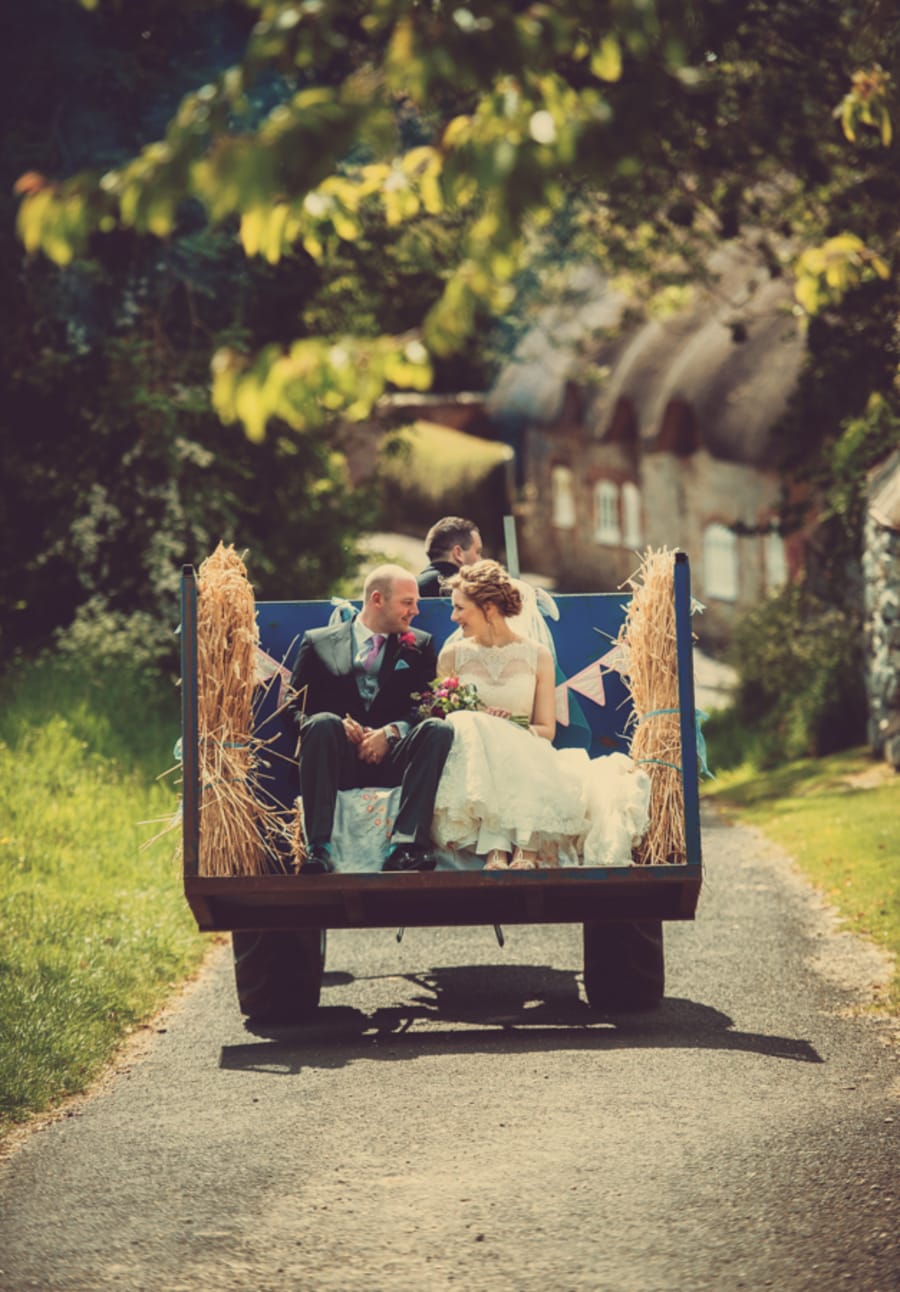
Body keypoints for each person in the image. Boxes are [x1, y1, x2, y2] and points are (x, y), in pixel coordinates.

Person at [430, 560, 652, 869]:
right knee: (467, 721)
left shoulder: (537, 655)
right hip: (475, 761)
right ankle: (497, 848)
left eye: (459, 608)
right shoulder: (452, 655)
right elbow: (443, 723)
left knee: (511, 744)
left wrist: (511, 724)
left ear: (489, 608)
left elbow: (547, 729)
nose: (454, 617)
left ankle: (522, 846)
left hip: (527, 751)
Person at [289, 564, 453, 873]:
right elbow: (291, 707)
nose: (416, 611)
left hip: (394, 761)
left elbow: (428, 705)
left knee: (438, 729)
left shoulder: (420, 645)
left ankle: (406, 847)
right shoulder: (317, 641)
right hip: (339, 763)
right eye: (407, 602)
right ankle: (318, 850)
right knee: (322, 723)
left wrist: (391, 733)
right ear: (377, 599)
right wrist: (336, 724)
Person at [417, 516, 483, 597]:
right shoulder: (471, 593)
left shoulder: (411, 588)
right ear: (458, 553)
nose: (481, 559)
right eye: (478, 552)